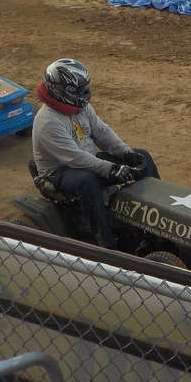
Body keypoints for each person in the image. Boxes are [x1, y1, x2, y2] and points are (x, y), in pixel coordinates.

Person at [32, 59, 160, 249]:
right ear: (60, 90)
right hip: (60, 171)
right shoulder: (48, 122)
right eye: (79, 90)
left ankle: (157, 216)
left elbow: (103, 133)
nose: (85, 93)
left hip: (88, 159)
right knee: (87, 181)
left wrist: (126, 153)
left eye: (86, 87)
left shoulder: (80, 108)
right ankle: (106, 243)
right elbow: (74, 158)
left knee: (143, 157)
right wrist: (112, 169)